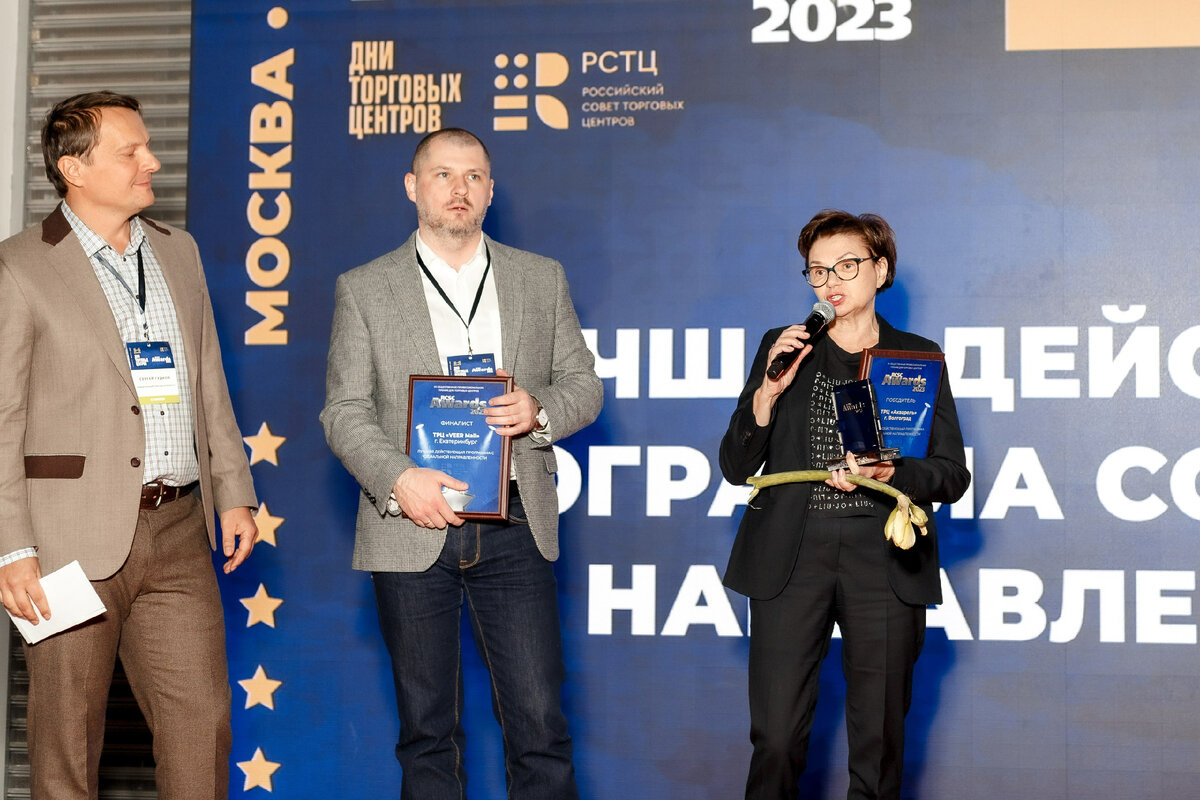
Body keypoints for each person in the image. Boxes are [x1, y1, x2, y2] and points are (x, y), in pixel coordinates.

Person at [320, 127, 602, 799]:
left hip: (514, 523)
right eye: (443, 174)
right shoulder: (364, 287)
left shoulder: (540, 277)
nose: (459, 188)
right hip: (410, 524)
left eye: (474, 176)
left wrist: (538, 409)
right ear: (412, 187)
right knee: (427, 733)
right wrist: (399, 479)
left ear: (491, 191)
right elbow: (343, 411)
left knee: (540, 724)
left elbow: (584, 385)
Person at [0, 91, 259, 799]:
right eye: (131, 151)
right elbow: (3, 418)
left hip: (179, 530)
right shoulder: (19, 266)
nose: (153, 161)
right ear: (74, 169)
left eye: (147, 145)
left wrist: (233, 492)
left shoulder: (179, 250)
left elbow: (208, 380)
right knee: (67, 742)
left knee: (201, 728)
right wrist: (12, 548)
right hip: (66, 541)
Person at [719, 210, 970, 800]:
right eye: (817, 270)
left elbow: (952, 474)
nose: (831, 281)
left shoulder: (917, 357)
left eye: (847, 266)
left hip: (883, 561)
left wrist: (891, 472)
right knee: (777, 739)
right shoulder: (784, 348)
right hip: (791, 558)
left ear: (880, 270)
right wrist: (766, 394)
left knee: (878, 745)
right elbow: (735, 465)